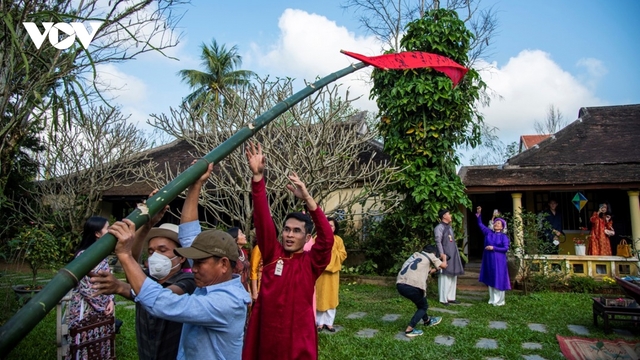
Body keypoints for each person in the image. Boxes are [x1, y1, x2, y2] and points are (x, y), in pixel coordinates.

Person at [112, 163, 251, 360]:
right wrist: (195, 186)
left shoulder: (225, 302)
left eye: (200, 263)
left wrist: (125, 255)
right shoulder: (214, 282)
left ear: (223, 264)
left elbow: (163, 303)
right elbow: (189, 233)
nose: (193, 269)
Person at [242, 142, 334, 360]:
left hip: (297, 338)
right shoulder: (272, 255)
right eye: (286, 230)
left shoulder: (312, 263)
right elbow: (263, 220)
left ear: (307, 238)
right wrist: (258, 179)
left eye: (296, 231)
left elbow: (327, 239)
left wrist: (308, 199)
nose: (289, 235)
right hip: (266, 335)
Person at [90, 195, 197, 360]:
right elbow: (132, 261)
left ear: (181, 257)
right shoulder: (145, 279)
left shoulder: (188, 281)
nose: (155, 256)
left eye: (162, 250)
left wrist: (119, 287)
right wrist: (147, 225)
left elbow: (160, 298)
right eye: (152, 251)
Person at [66, 216, 115, 360]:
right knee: (84, 346)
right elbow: (86, 289)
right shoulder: (83, 256)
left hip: (102, 309)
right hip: (86, 310)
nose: (110, 230)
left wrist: (111, 300)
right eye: (107, 228)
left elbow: (108, 282)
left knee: (100, 345)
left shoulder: (101, 255)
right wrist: (103, 306)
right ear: (97, 233)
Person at [396, 245, 446, 337]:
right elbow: (444, 266)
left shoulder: (416, 255)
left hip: (400, 285)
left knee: (420, 302)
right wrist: (444, 258)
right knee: (423, 306)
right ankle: (409, 329)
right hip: (412, 286)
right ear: (433, 253)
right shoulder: (431, 256)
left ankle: (427, 321)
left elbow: (427, 271)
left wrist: (435, 269)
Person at [315, 217, 347, 332]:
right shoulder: (317, 239)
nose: (329, 228)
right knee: (320, 296)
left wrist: (332, 251)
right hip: (320, 274)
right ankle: (319, 322)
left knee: (331, 297)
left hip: (333, 274)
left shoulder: (338, 240)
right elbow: (314, 254)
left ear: (335, 228)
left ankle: (329, 323)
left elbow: (343, 254)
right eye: (327, 225)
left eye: (332, 226)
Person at [475, 206, 511, 306]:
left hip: (499, 260)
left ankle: (499, 301)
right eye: (495, 222)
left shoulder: (504, 237)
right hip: (489, 259)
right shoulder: (489, 233)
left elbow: (505, 248)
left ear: (502, 227)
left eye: (498, 223)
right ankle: (492, 299)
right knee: (491, 277)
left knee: (498, 278)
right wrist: (479, 214)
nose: (496, 224)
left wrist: (494, 248)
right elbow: (480, 224)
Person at [434, 209, 465, 306]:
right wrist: (442, 254)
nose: (450, 215)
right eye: (448, 214)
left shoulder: (449, 227)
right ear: (444, 216)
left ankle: (451, 297)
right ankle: (443, 299)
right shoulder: (439, 227)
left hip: (453, 254)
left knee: (453, 275)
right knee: (445, 276)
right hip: (445, 255)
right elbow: (438, 242)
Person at [228, 227, 252, 295]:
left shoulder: (244, 253)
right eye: (241, 234)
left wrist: (249, 292)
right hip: (235, 291)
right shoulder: (230, 255)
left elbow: (246, 274)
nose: (244, 235)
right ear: (235, 239)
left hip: (245, 289)